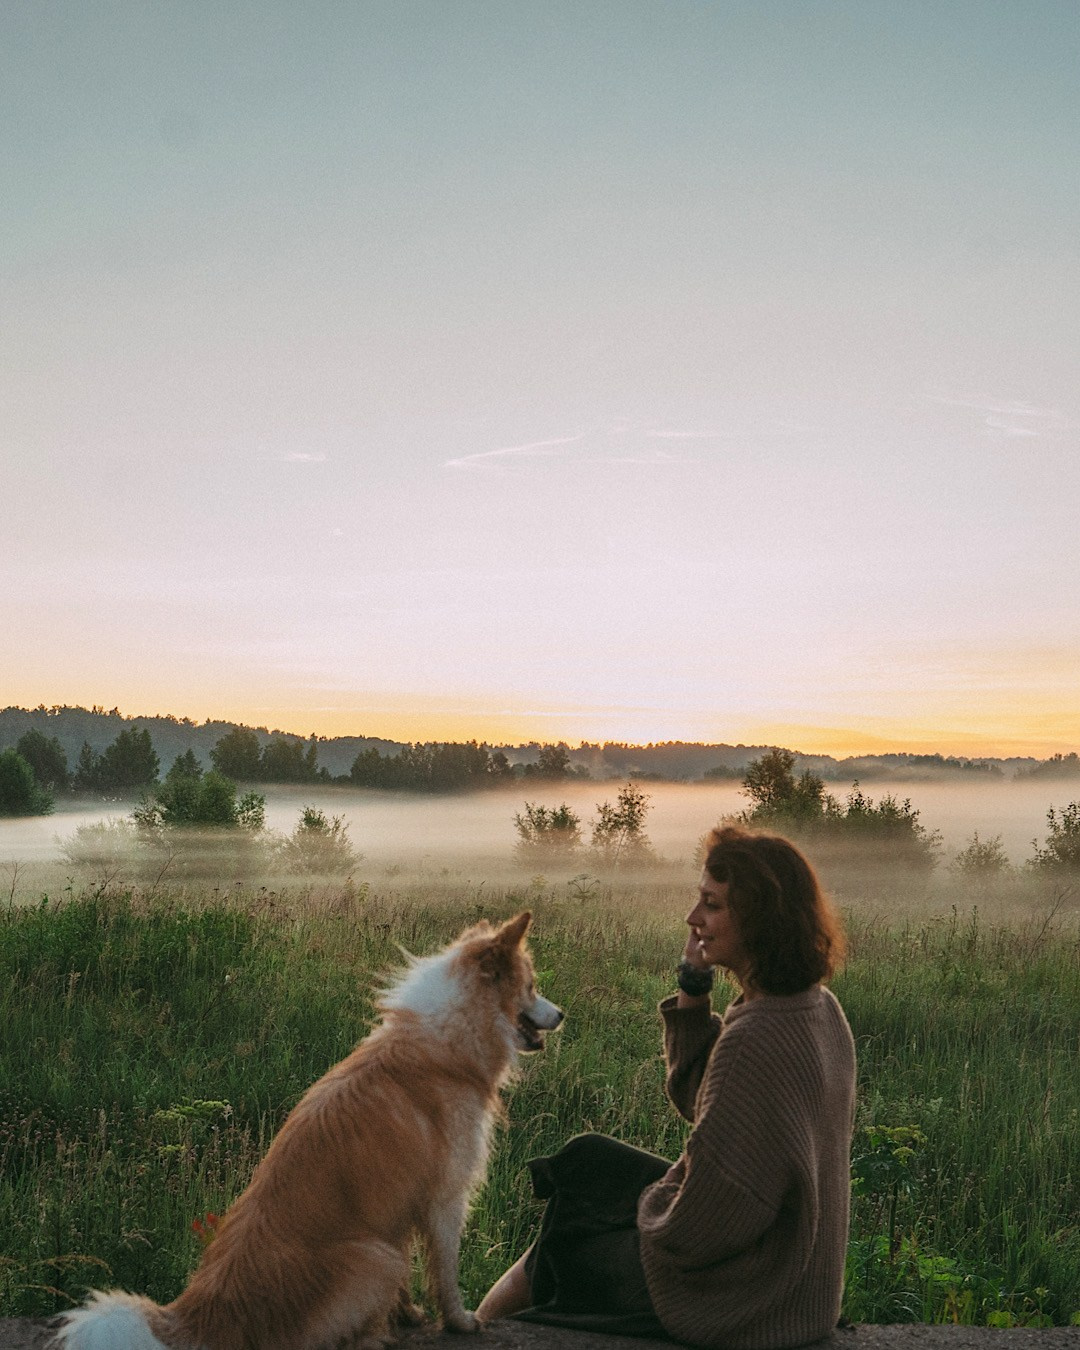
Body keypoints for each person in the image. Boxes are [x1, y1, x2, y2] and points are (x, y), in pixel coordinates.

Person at [476, 824, 856, 1349]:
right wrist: (693, 991)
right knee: (587, 1159)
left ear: (759, 919)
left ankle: (478, 1336)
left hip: (748, 1298)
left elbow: (696, 1230)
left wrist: (642, 1207)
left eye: (712, 904)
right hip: (795, 1274)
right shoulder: (814, 1008)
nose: (692, 918)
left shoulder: (757, 1036)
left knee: (566, 1234)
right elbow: (710, 1103)